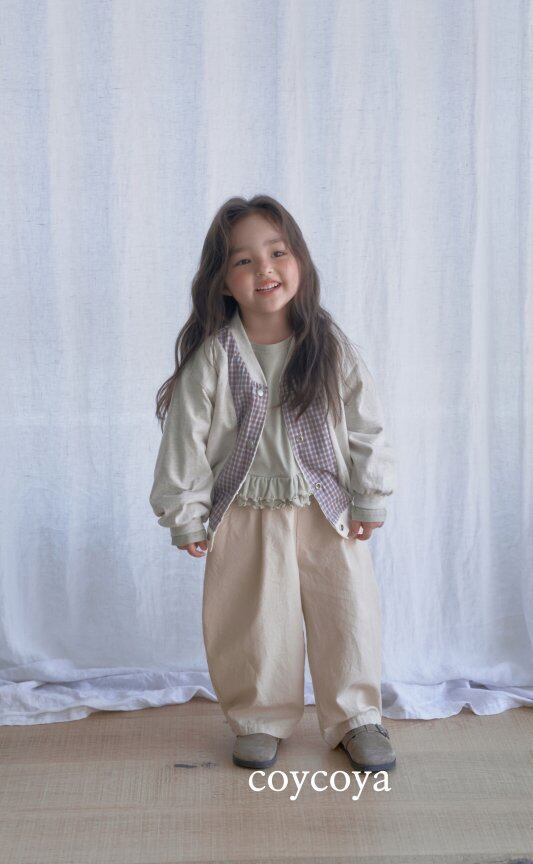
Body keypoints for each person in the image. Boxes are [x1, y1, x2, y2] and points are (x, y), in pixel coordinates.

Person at [149, 194, 397, 772]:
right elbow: (184, 440)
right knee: (253, 621)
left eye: (277, 252)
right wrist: (185, 513)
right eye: (243, 260)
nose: (264, 268)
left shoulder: (330, 349)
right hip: (243, 512)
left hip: (327, 509)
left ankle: (357, 716)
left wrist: (370, 495)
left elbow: (367, 425)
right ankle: (259, 716)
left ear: (299, 261)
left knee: (347, 612)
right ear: (222, 281)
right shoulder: (214, 359)